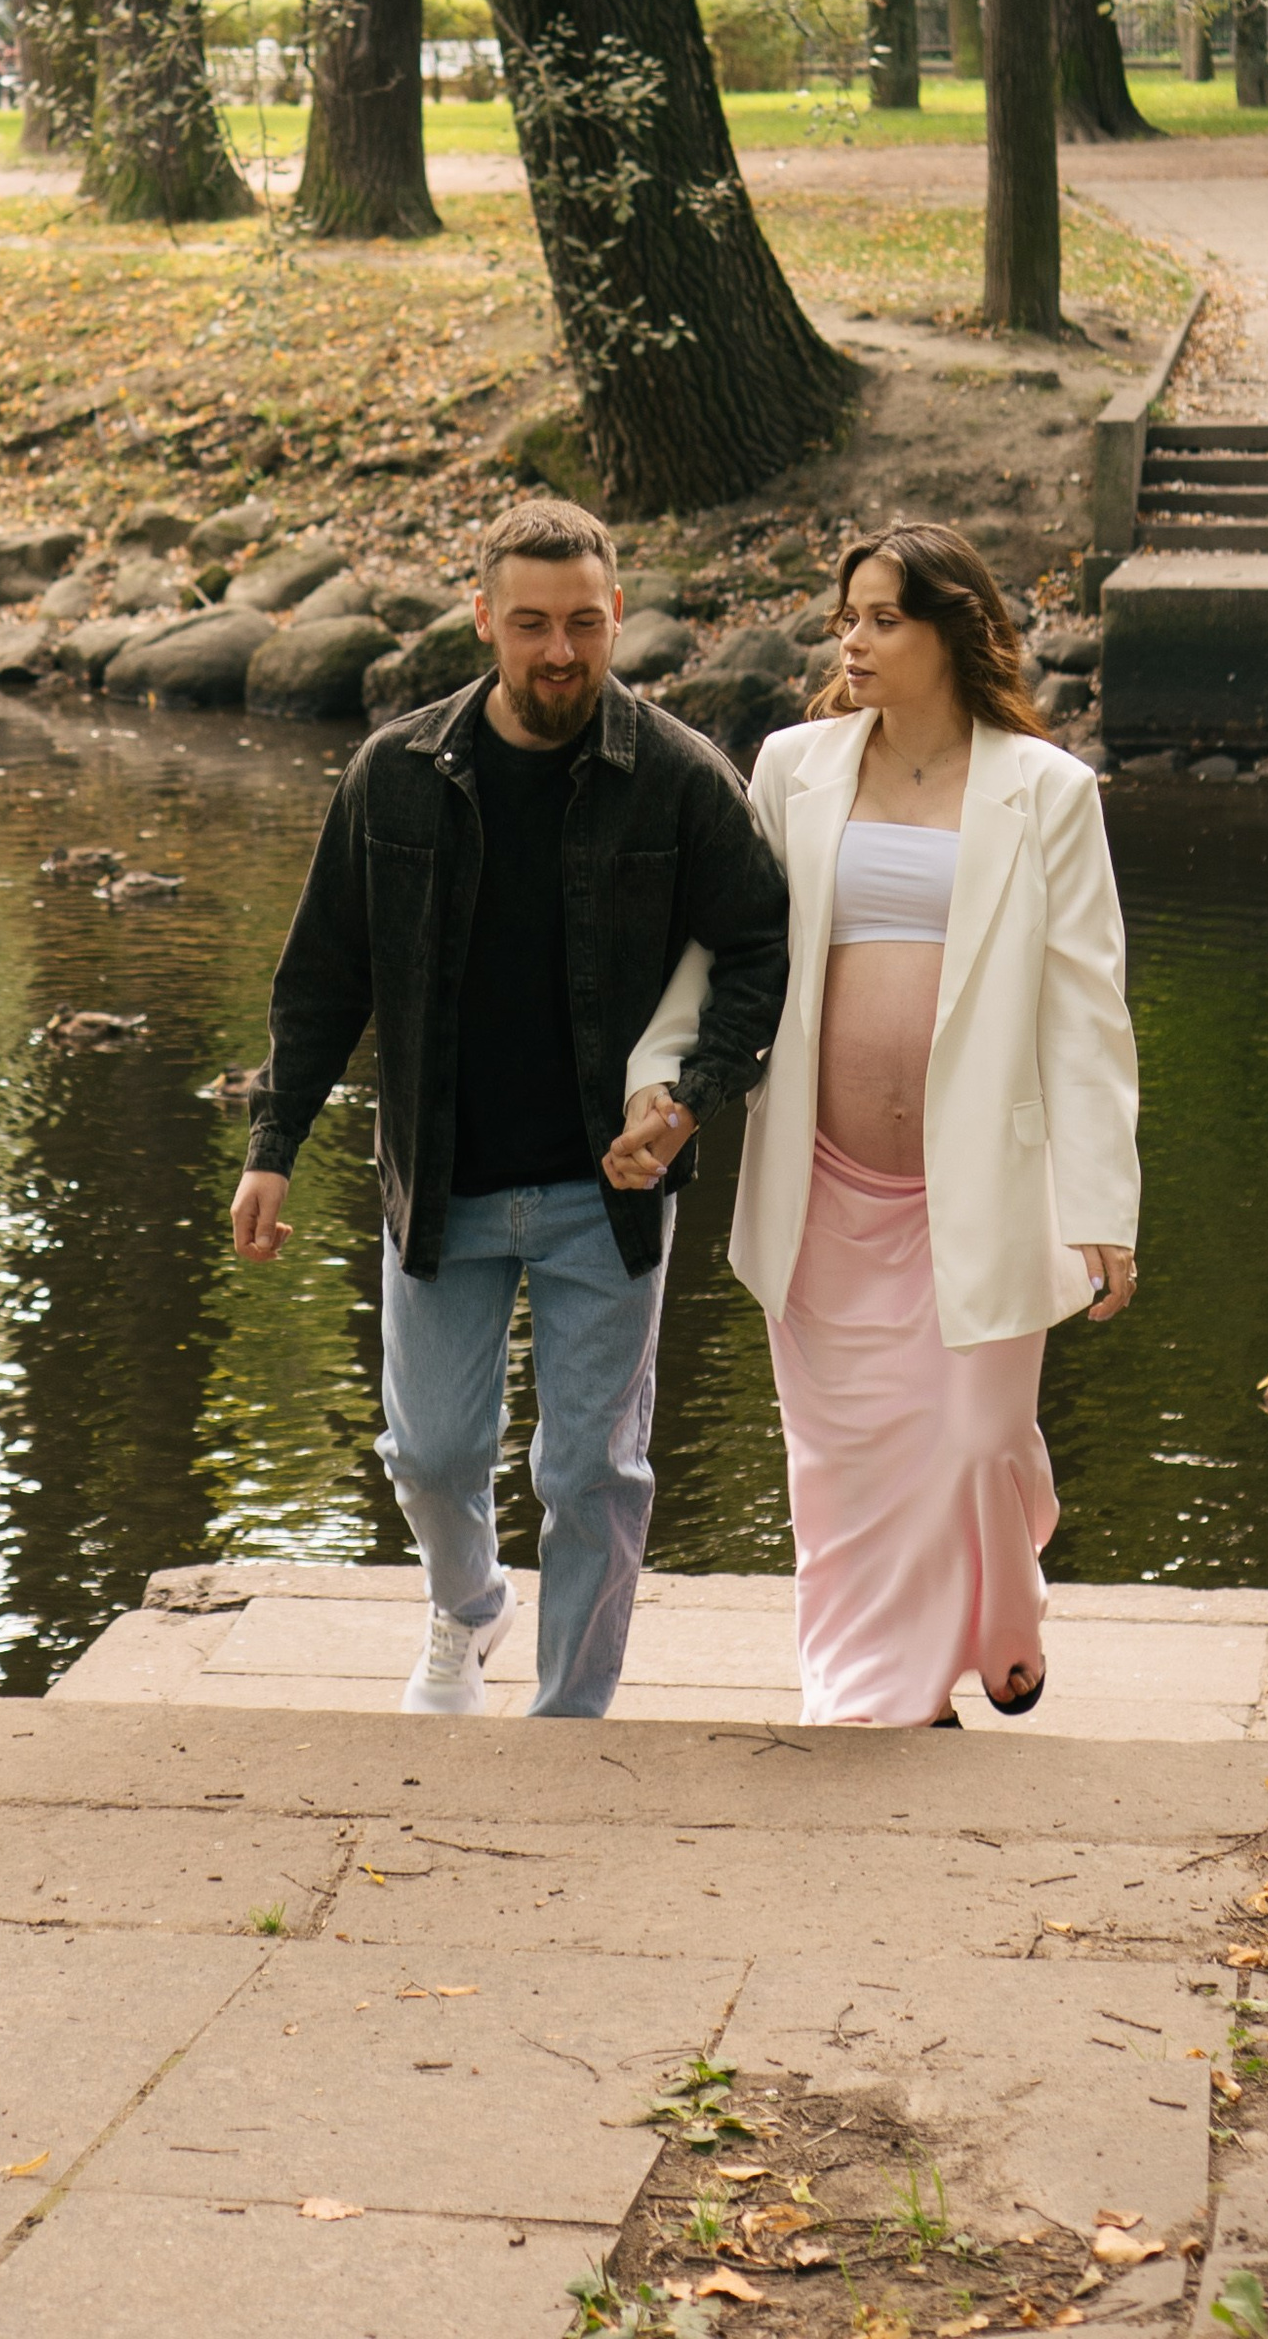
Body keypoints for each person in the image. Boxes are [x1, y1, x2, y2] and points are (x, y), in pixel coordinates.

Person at [233, 495, 791, 1719]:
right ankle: (469, 1603)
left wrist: (693, 1100)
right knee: (430, 1454)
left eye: (583, 623)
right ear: (482, 619)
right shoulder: (393, 775)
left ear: (617, 614)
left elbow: (761, 949)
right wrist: (274, 1144)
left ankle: (568, 1727)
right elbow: (324, 975)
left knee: (592, 1471)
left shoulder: (681, 778)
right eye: (531, 623)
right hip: (442, 1181)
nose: (559, 651)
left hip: (611, 1190)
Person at [605, 520, 1139, 1729]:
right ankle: (872, 1696)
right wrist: (663, 1084)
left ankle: (998, 1604)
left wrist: (1102, 1206)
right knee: (841, 1465)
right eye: (846, 617)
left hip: (984, 1186)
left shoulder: (1047, 792)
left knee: (978, 1442)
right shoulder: (792, 767)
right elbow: (727, 950)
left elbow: (1085, 1012)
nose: (851, 640)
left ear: (954, 633)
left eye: (883, 620)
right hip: (822, 1182)